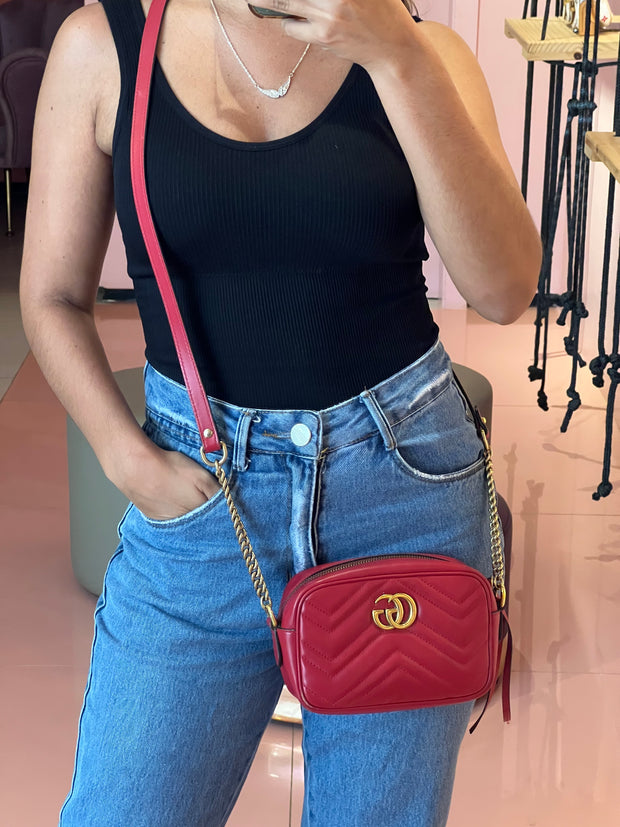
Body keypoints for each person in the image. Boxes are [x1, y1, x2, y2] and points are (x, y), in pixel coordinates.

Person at [20, 0, 542, 824]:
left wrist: (397, 59)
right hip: (199, 503)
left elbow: (504, 289)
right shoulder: (106, 45)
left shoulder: (423, 50)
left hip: (402, 492)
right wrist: (126, 458)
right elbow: (51, 296)